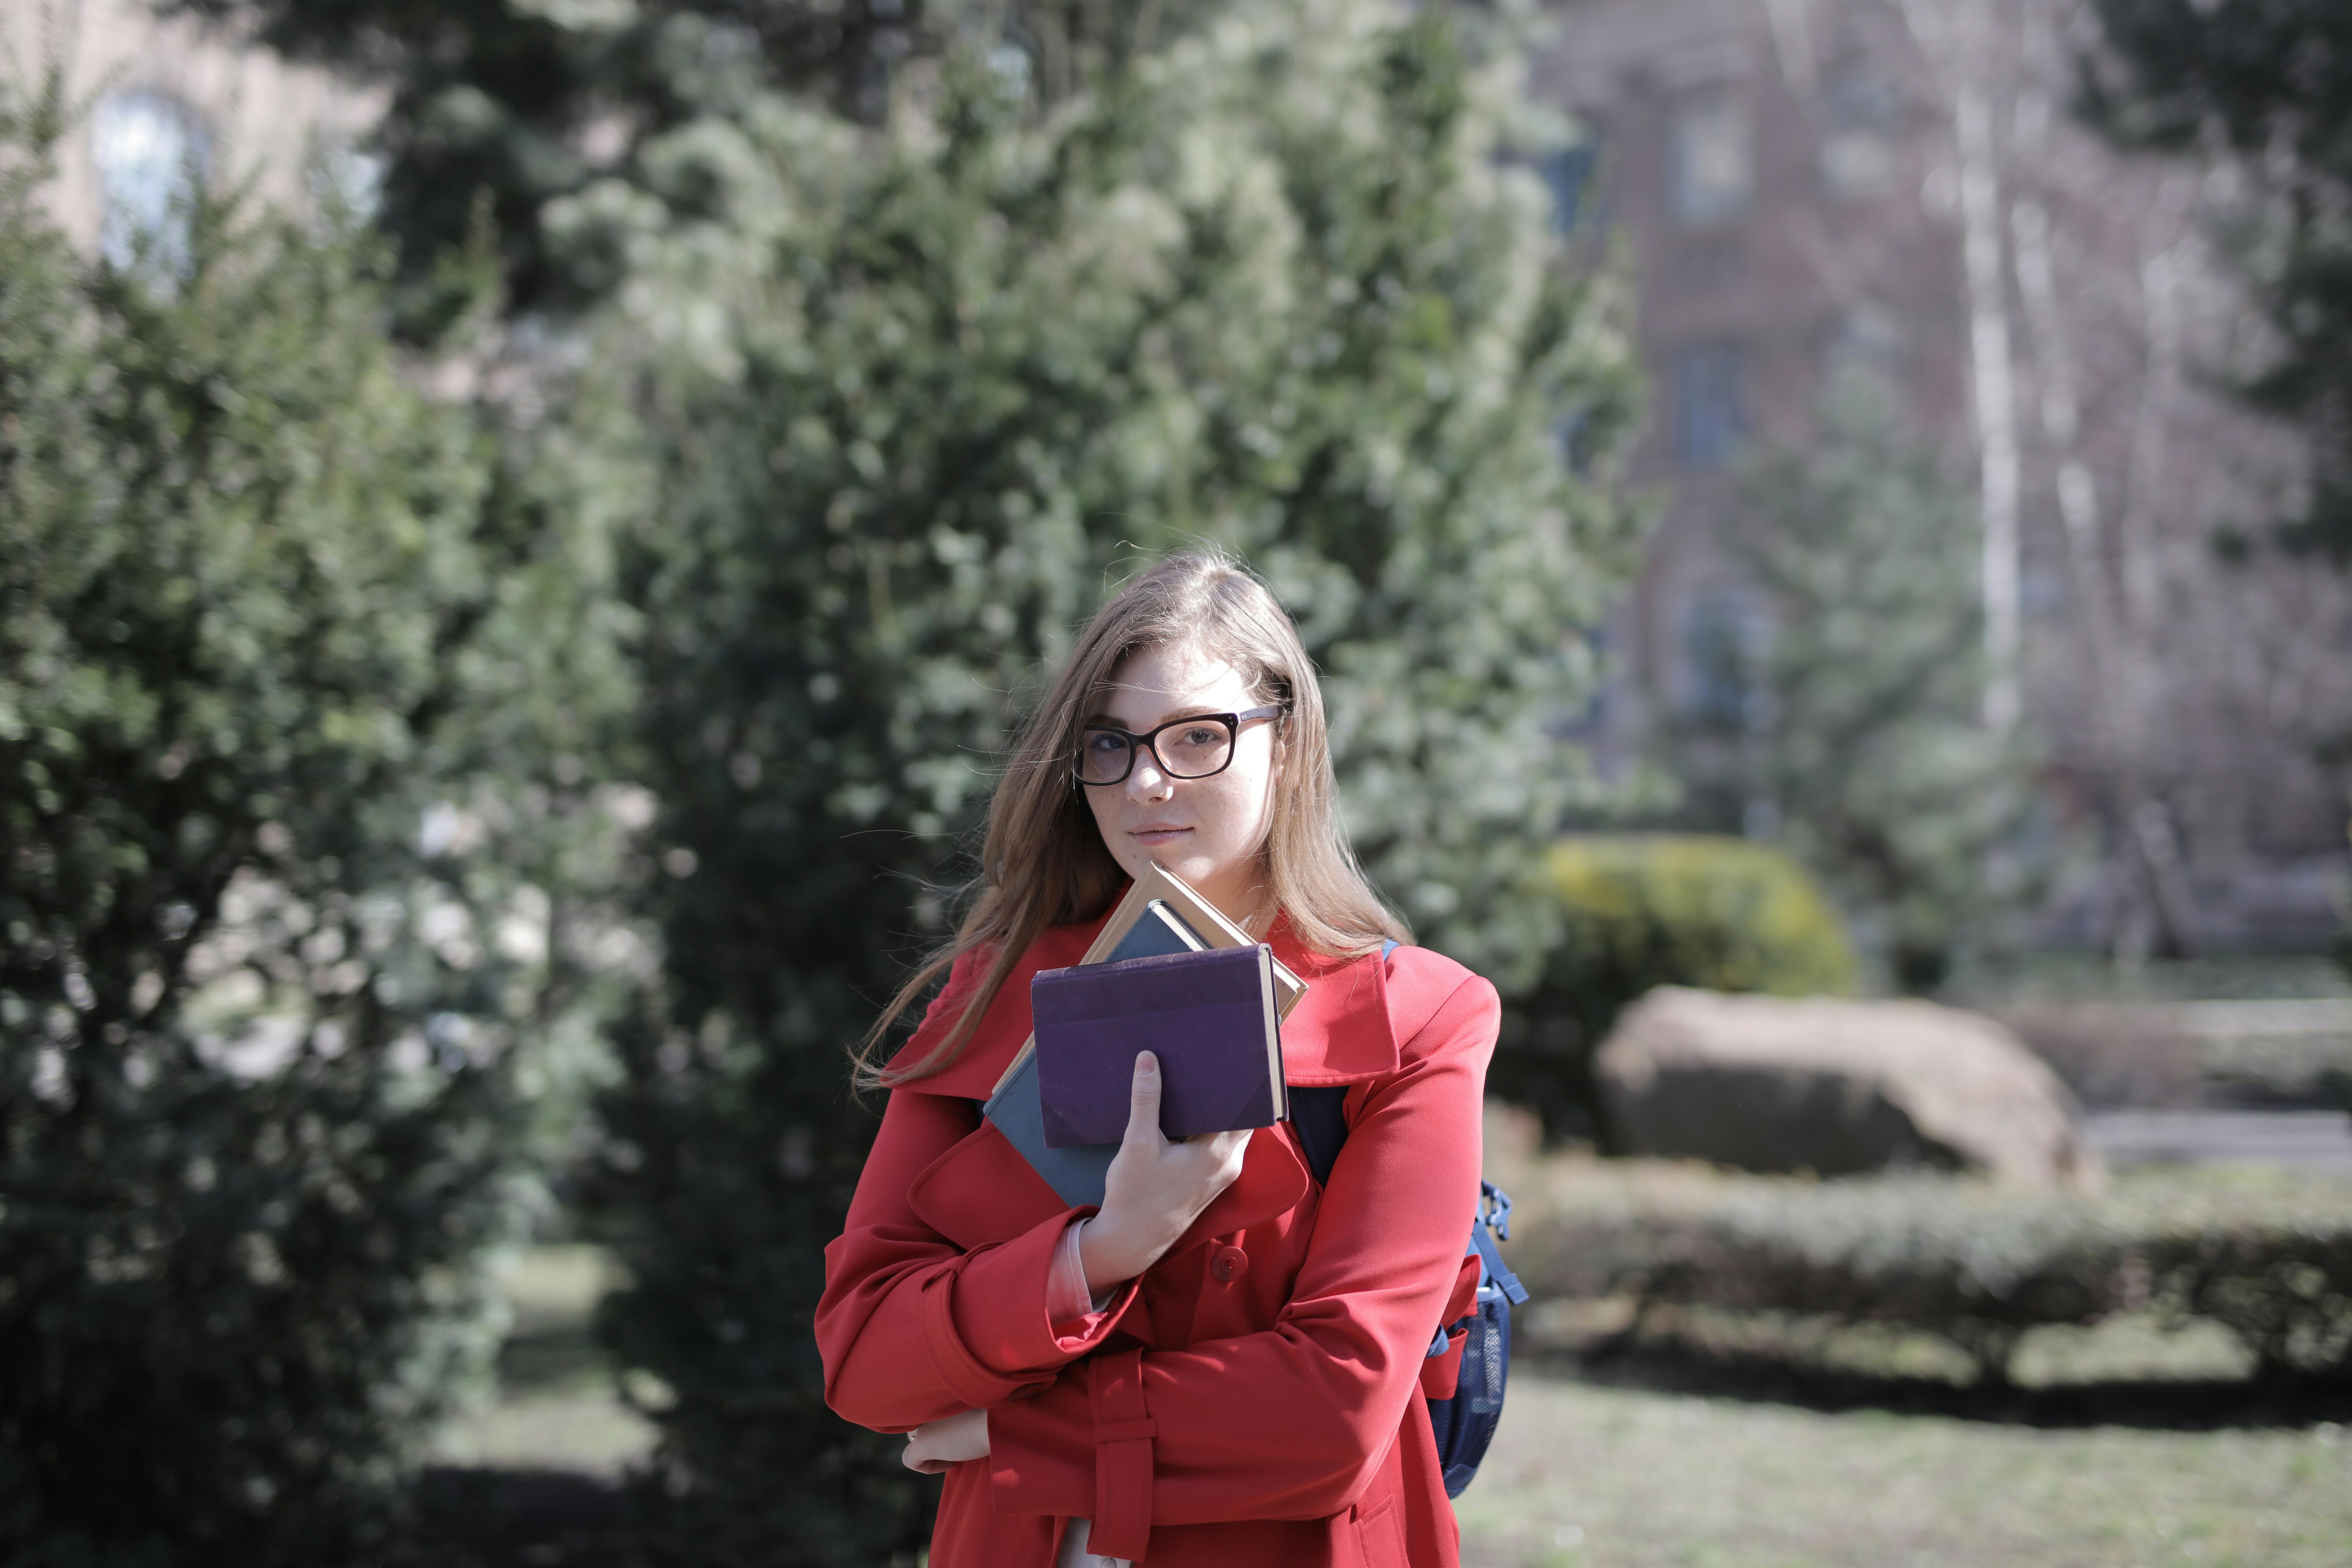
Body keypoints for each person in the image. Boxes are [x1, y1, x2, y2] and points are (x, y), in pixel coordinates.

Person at [816, 551, 1500, 1567]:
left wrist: (1016, 1433)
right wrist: (1099, 1254)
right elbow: (866, 1359)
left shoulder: (1412, 1019)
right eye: (1111, 744)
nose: (1145, 781)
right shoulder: (993, 998)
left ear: (1291, 748)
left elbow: (1339, 1412)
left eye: (1197, 738)